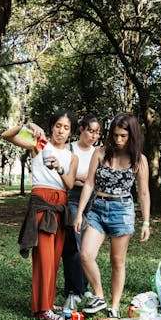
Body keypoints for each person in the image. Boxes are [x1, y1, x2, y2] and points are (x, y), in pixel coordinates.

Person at [3, 113, 78, 320]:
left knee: (54, 259)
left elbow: (70, 184)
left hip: (61, 207)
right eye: (57, 126)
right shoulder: (39, 144)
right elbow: (7, 136)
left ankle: (48, 301)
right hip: (42, 204)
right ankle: (42, 309)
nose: (61, 130)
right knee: (43, 257)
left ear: (70, 131)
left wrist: (59, 167)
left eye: (65, 127)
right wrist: (27, 125)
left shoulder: (72, 157)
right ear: (51, 127)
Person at [74, 115, 151, 317]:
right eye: (115, 135)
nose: (118, 140)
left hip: (123, 210)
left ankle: (114, 307)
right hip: (98, 208)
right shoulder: (100, 153)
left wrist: (146, 222)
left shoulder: (139, 160)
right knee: (85, 254)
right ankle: (99, 296)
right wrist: (80, 212)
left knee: (117, 261)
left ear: (132, 136)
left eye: (123, 136)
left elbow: (143, 192)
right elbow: (89, 183)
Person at [61, 115, 101, 305]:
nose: (94, 135)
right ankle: (75, 289)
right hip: (72, 199)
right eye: (90, 131)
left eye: (97, 132)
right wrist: (81, 178)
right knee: (74, 244)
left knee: (86, 247)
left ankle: (80, 287)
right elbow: (66, 179)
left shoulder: (98, 152)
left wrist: (82, 178)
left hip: (92, 201)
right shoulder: (70, 149)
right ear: (82, 129)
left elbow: (96, 180)